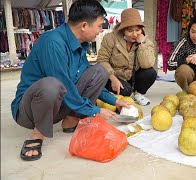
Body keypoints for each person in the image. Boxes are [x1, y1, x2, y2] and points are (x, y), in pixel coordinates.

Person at [11, 0, 130, 161]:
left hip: (58, 105)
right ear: (84, 26)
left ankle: (71, 119)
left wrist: (115, 101)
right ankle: (37, 134)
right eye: (99, 25)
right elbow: (63, 83)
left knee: (99, 71)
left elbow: (87, 77)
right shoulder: (53, 42)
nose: (100, 30)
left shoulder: (81, 45)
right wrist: (94, 111)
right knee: (52, 84)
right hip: (29, 111)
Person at [97, 8, 157, 106]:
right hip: (116, 76)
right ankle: (116, 92)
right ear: (123, 30)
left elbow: (147, 64)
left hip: (133, 76)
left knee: (150, 73)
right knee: (126, 91)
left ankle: (138, 94)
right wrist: (112, 78)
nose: (134, 34)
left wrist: (141, 43)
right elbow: (102, 60)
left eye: (137, 30)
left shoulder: (145, 40)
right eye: (130, 31)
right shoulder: (110, 38)